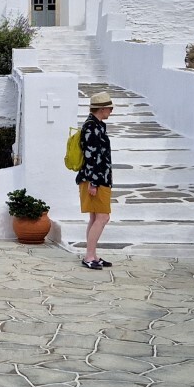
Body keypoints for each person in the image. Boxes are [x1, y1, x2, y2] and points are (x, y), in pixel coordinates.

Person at [75, 91, 115, 270]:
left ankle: (92, 254)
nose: (111, 111)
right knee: (103, 217)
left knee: (95, 217)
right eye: (109, 108)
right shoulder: (91, 127)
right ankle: (89, 256)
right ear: (102, 108)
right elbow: (91, 155)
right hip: (96, 179)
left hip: (100, 178)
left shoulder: (98, 125)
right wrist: (93, 182)